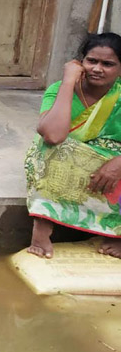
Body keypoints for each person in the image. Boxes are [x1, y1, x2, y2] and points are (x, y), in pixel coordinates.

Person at [26, 33, 121, 258]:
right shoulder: (60, 88)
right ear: (80, 62)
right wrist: (68, 82)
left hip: (113, 161)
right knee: (52, 148)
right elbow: (52, 135)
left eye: (108, 64)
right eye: (91, 61)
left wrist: (118, 162)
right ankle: (42, 228)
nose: (97, 68)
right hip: (70, 158)